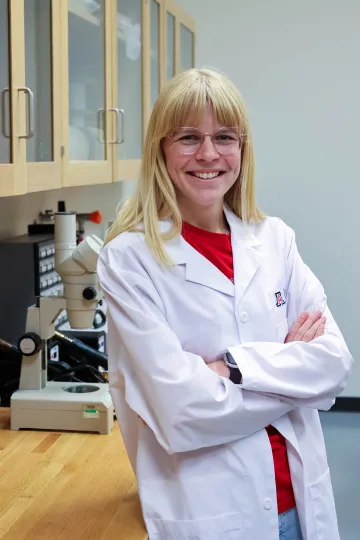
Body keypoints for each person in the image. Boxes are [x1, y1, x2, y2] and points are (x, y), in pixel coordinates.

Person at [97, 68, 353, 540]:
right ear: (161, 149)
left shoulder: (275, 239)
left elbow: (334, 365)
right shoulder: (129, 260)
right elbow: (181, 413)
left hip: (302, 501)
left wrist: (229, 368)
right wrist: (292, 374)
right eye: (189, 137)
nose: (209, 153)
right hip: (212, 513)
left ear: (243, 149)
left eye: (225, 137)